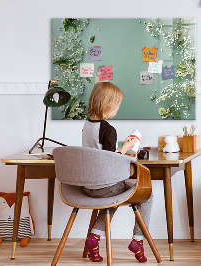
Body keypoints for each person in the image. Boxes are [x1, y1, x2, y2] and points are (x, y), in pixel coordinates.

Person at [82, 82, 152, 263]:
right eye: (117, 105)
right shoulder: (108, 129)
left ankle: (94, 238)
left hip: (88, 186)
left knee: (112, 197)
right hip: (105, 186)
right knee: (147, 194)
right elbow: (110, 161)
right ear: (108, 105)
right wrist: (126, 148)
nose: (117, 110)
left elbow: (99, 154)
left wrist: (121, 150)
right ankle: (138, 240)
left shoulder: (87, 125)